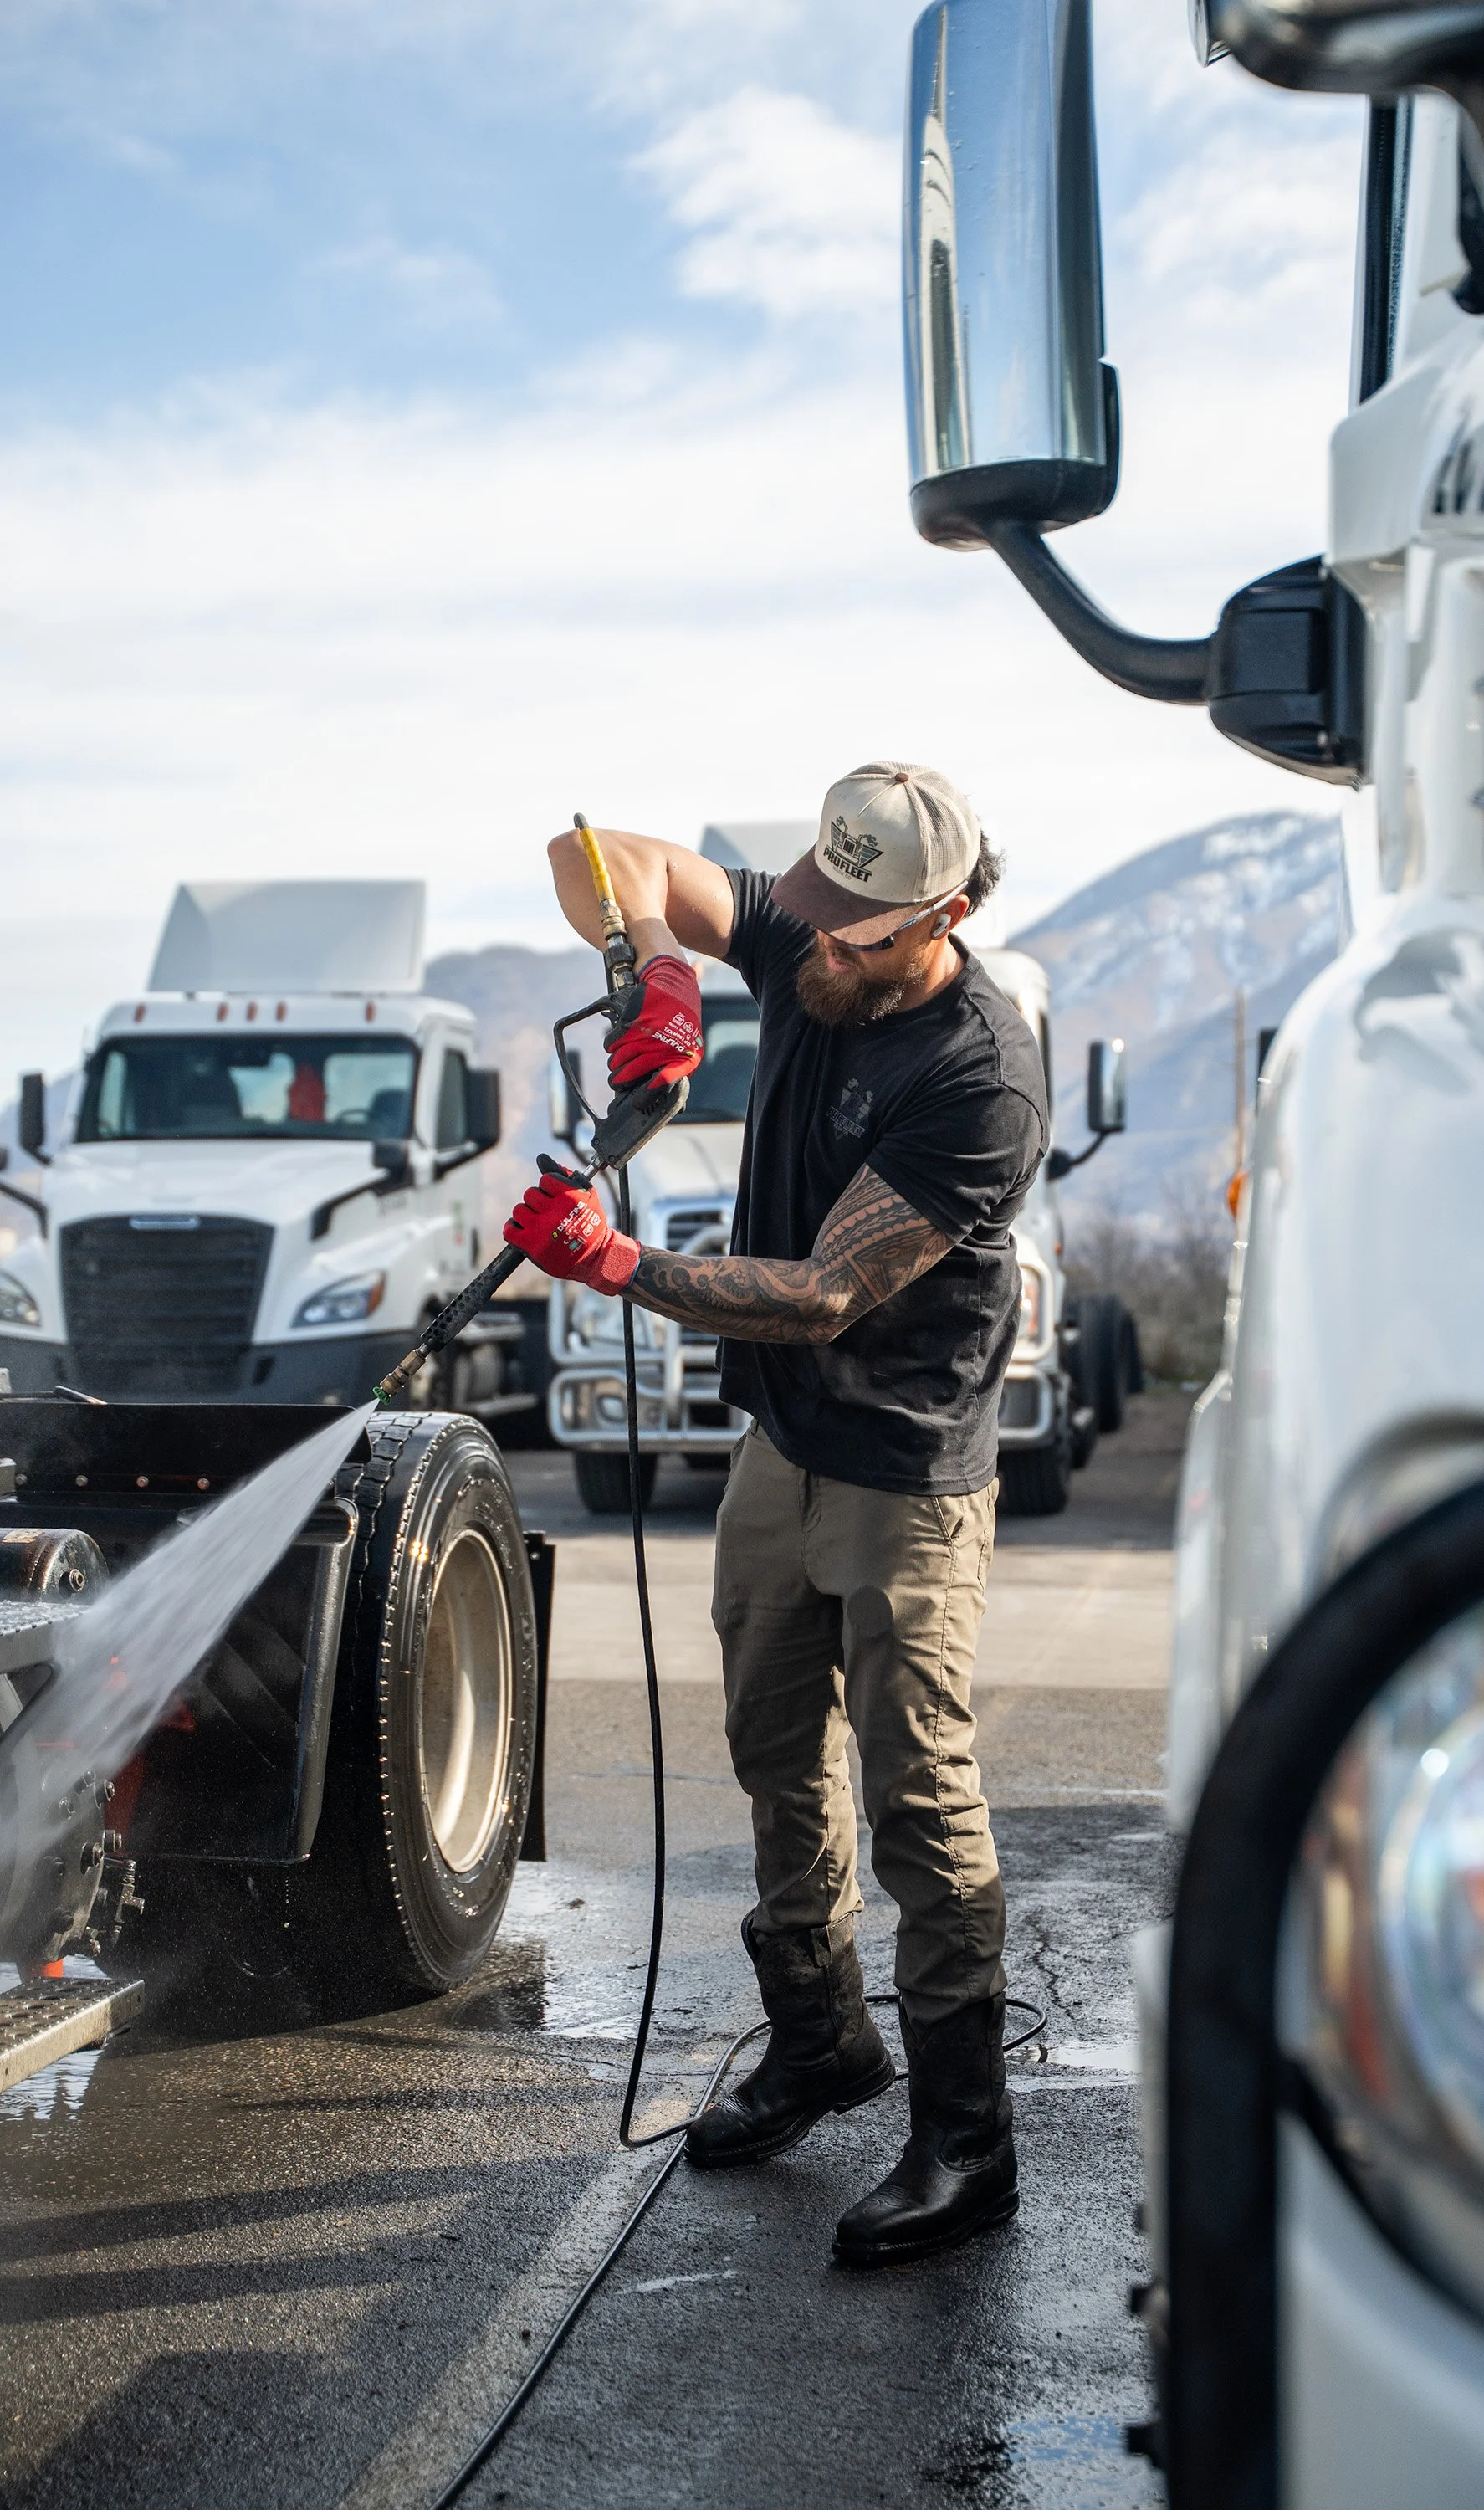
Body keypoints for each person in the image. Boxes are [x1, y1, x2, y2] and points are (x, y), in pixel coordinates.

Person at [504, 761, 1048, 2267]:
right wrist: (661, 973)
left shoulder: (978, 1075)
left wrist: (618, 1265)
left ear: (936, 918)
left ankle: (966, 2141)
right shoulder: (812, 943)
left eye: (855, 933)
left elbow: (820, 1293)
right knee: (770, 1754)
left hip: (902, 1472)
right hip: (780, 1450)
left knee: (918, 1805)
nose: (816, 951)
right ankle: (821, 2043)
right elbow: (594, 852)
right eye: (812, 911)